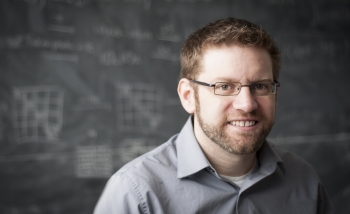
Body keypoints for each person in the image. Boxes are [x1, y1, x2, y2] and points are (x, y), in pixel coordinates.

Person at [94, 17, 335, 213]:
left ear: (275, 94)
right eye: (224, 87)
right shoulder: (135, 194)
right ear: (188, 96)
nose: (247, 104)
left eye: (260, 86)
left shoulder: (305, 183)